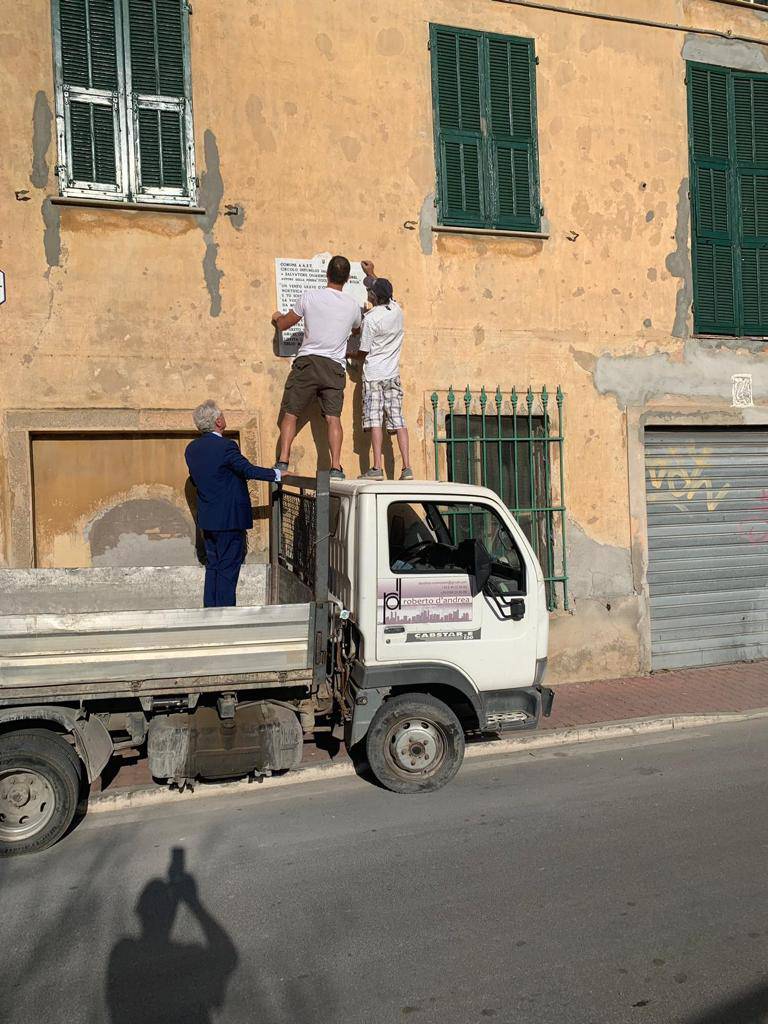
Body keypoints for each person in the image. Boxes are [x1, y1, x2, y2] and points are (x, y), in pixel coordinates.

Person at [272, 255, 362, 481]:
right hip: (334, 366)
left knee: (291, 413)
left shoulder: (309, 297)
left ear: (327, 274)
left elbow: (285, 324)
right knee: (333, 418)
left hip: (309, 361)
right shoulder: (352, 306)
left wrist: (276, 318)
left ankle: (283, 462)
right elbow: (357, 330)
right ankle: (335, 467)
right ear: (347, 278)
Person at [185, 400, 279, 608]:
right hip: (229, 519)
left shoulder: (191, 449)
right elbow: (247, 470)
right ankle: (226, 616)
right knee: (228, 569)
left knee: (213, 567)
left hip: (208, 519)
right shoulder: (227, 446)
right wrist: (276, 474)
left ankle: (210, 612)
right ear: (218, 421)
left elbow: (195, 478)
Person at [353, 260, 413, 480]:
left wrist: (346, 353)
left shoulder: (371, 320)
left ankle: (377, 467)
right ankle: (407, 467)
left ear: (374, 297)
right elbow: (381, 287)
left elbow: (363, 352)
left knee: (374, 419)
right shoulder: (396, 309)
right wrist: (371, 273)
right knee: (398, 420)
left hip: (374, 376)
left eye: (370, 291)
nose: (368, 293)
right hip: (392, 374)